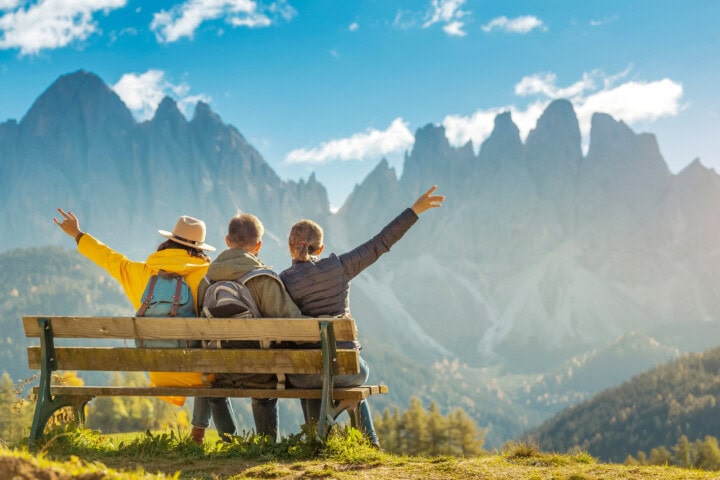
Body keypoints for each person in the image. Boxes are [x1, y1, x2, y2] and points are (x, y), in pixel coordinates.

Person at [279, 185, 445, 449]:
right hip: (346, 371)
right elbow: (380, 243)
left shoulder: (282, 281)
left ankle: (317, 440)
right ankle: (371, 444)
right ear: (320, 248)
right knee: (355, 367)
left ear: (290, 247)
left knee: (311, 368)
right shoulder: (339, 266)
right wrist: (414, 211)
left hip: (303, 375)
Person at [52, 209, 215, 408]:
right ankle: (206, 433)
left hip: (159, 370)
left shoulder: (142, 273)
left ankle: (197, 434)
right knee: (214, 367)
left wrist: (78, 235)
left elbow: (111, 259)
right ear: (200, 249)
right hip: (200, 371)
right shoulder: (208, 277)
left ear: (169, 241)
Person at [191, 212, 303, 444]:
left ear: (227, 241)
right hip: (260, 373)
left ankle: (230, 441)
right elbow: (294, 327)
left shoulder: (206, 281)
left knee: (218, 378)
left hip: (220, 370)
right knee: (265, 384)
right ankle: (266, 444)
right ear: (259, 245)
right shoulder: (263, 279)